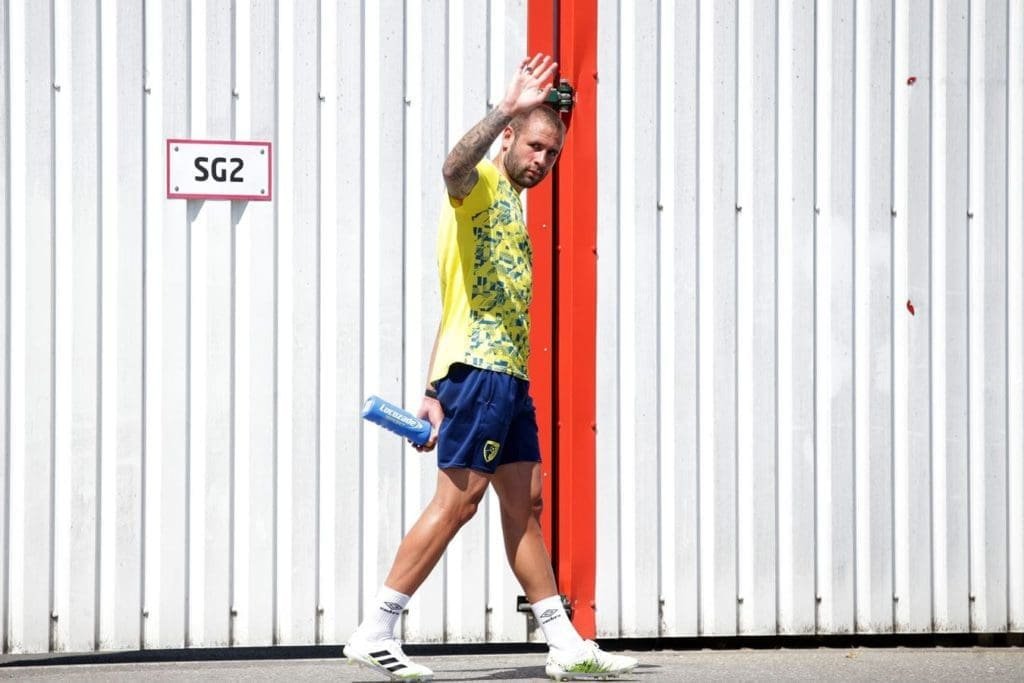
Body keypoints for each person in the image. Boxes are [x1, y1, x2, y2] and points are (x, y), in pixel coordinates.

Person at [343, 54, 638, 681]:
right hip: (480, 372)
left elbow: (455, 299)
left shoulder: (513, 203)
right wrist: (505, 105)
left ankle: (564, 644)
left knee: (526, 502)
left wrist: (431, 387)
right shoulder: (477, 185)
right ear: (509, 137)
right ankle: (376, 629)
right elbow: (451, 167)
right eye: (534, 146)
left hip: (506, 377)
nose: (542, 161)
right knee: (459, 502)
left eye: (552, 154)